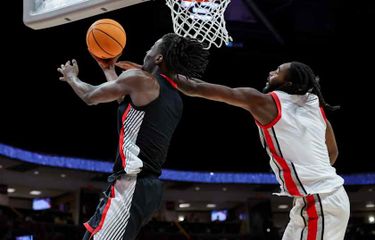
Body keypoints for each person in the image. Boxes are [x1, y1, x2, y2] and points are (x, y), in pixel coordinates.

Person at [172, 61, 349, 240]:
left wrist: (162, 72)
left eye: (278, 71)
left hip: (321, 203)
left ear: (288, 83)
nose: (271, 72)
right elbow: (333, 152)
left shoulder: (266, 102)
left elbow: (195, 87)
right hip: (316, 200)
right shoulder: (313, 106)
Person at [57, 33, 209, 240]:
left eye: (153, 47)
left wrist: (71, 77)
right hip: (145, 188)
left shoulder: (140, 79)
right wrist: (109, 70)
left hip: (132, 185)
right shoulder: (174, 98)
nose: (147, 51)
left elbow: (90, 96)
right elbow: (123, 99)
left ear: (159, 58)